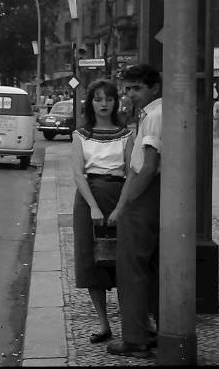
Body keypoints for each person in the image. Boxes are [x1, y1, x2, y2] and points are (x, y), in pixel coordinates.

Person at [71, 79, 134, 345]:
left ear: (115, 102)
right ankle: (103, 323)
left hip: (120, 194)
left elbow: (132, 173)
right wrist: (94, 206)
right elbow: (78, 173)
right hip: (88, 199)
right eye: (98, 99)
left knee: (126, 261)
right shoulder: (80, 134)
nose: (103, 104)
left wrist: (121, 207)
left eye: (108, 99)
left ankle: (133, 324)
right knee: (90, 261)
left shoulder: (126, 134)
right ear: (91, 103)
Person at [106, 63, 162, 359]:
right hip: (148, 194)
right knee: (148, 268)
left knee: (131, 269)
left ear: (154, 87)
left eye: (136, 88)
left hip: (144, 197)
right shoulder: (151, 114)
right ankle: (150, 329)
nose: (130, 94)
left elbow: (148, 167)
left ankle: (136, 337)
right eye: (127, 89)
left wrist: (125, 204)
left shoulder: (154, 116)